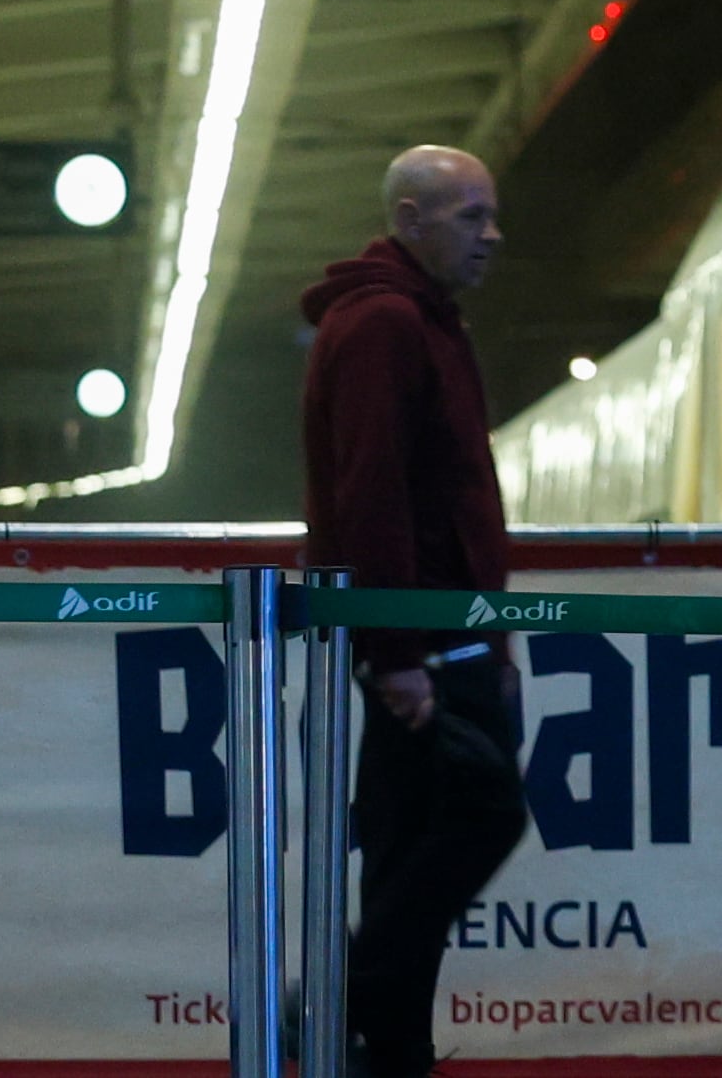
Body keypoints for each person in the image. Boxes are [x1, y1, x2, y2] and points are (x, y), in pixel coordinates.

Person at [301, 145, 529, 1078]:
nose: (492, 234)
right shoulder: (388, 325)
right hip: (424, 646)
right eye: (471, 216)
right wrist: (394, 649)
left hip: (445, 635)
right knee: (483, 815)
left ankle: (388, 1054)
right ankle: (347, 998)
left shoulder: (419, 320)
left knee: (404, 855)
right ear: (410, 219)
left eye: (490, 214)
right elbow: (374, 494)